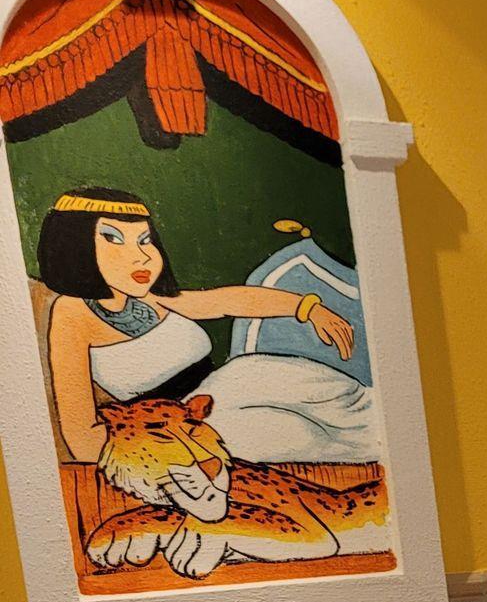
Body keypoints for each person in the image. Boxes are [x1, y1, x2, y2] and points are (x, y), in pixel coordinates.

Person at [37, 188, 375, 464]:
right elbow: (82, 436)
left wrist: (307, 308)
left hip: (234, 382)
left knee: (336, 395)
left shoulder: (150, 296)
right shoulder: (71, 314)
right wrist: (156, 458)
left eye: (145, 240)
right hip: (189, 428)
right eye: (113, 238)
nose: (142, 256)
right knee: (298, 436)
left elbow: (226, 301)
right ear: (75, 244)